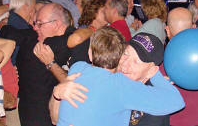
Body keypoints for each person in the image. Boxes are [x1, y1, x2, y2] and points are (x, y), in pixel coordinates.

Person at [56, 27, 184, 126]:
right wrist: (58, 91)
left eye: (136, 61)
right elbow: (54, 116)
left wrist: (156, 76)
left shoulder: (78, 67)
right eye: (126, 54)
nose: (126, 65)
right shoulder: (120, 84)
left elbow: (177, 102)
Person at [0, 3, 74, 126]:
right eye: (35, 23)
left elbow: (11, 33)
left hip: (34, 115)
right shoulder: (43, 45)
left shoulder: (32, 41)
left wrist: (5, 27)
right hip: (41, 118)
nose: (35, 28)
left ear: (56, 24)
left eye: (39, 24)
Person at [67, 0, 108, 67]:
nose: (107, 13)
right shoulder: (83, 32)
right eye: (104, 11)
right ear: (93, 12)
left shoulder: (105, 32)